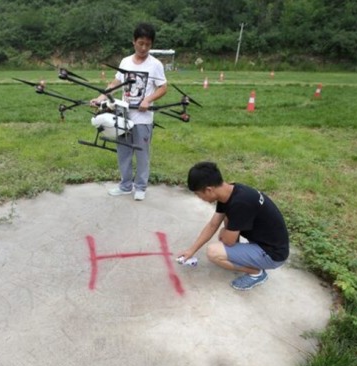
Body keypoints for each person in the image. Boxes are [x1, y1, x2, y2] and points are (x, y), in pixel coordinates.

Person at [178, 162, 289, 290]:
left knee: (213, 252)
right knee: (226, 219)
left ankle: (256, 273)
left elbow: (228, 241)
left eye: (198, 194)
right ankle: (241, 255)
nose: (199, 198)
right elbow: (213, 224)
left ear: (209, 189)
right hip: (266, 242)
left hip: (273, 254)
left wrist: (225, 232)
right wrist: (191, 250)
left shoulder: (240, 204)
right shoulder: (229, 192)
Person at [90, 22, 167, 201]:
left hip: (143, 118)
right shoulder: (125, 62)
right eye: (140, 43)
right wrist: (100, 98)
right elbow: (115, 83)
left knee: (142, 154)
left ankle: (140, 186)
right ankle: (125, 185)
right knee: (123, 152)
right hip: (123, 116)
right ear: (133, 42)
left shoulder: (155, 64)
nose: (143, 47)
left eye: (148, 44)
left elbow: (163, 88)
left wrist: (148, 100)